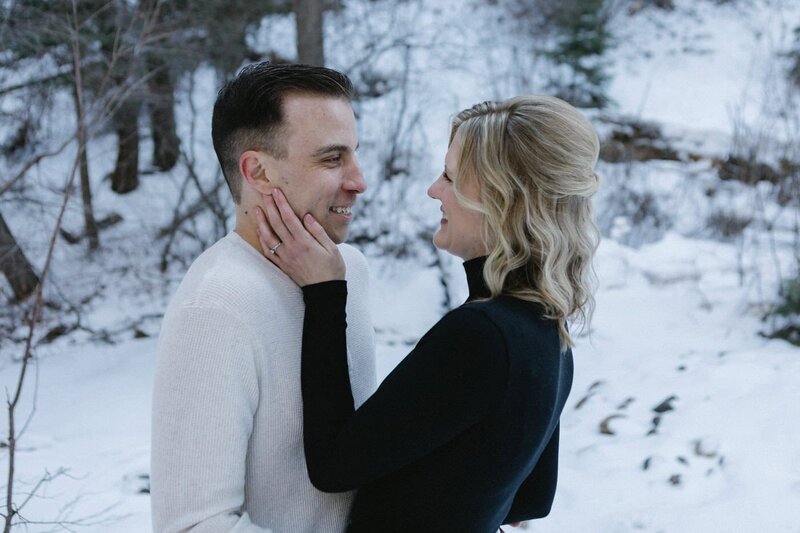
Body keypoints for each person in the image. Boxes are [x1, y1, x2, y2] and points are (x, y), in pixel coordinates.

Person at [255, 95, 600, 532]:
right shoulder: (549, 333)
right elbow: (532, 498)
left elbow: (333, 466)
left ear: (503, 199)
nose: (434, 190)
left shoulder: (480, 337)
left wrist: (324, 293)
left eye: (451, 178)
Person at [150, 62, 377, 532]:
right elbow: (193, 525)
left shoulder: (348, 270)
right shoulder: (218, 306)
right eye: (332, 159)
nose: (359, 181)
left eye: (354, 154)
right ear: (258, 171)